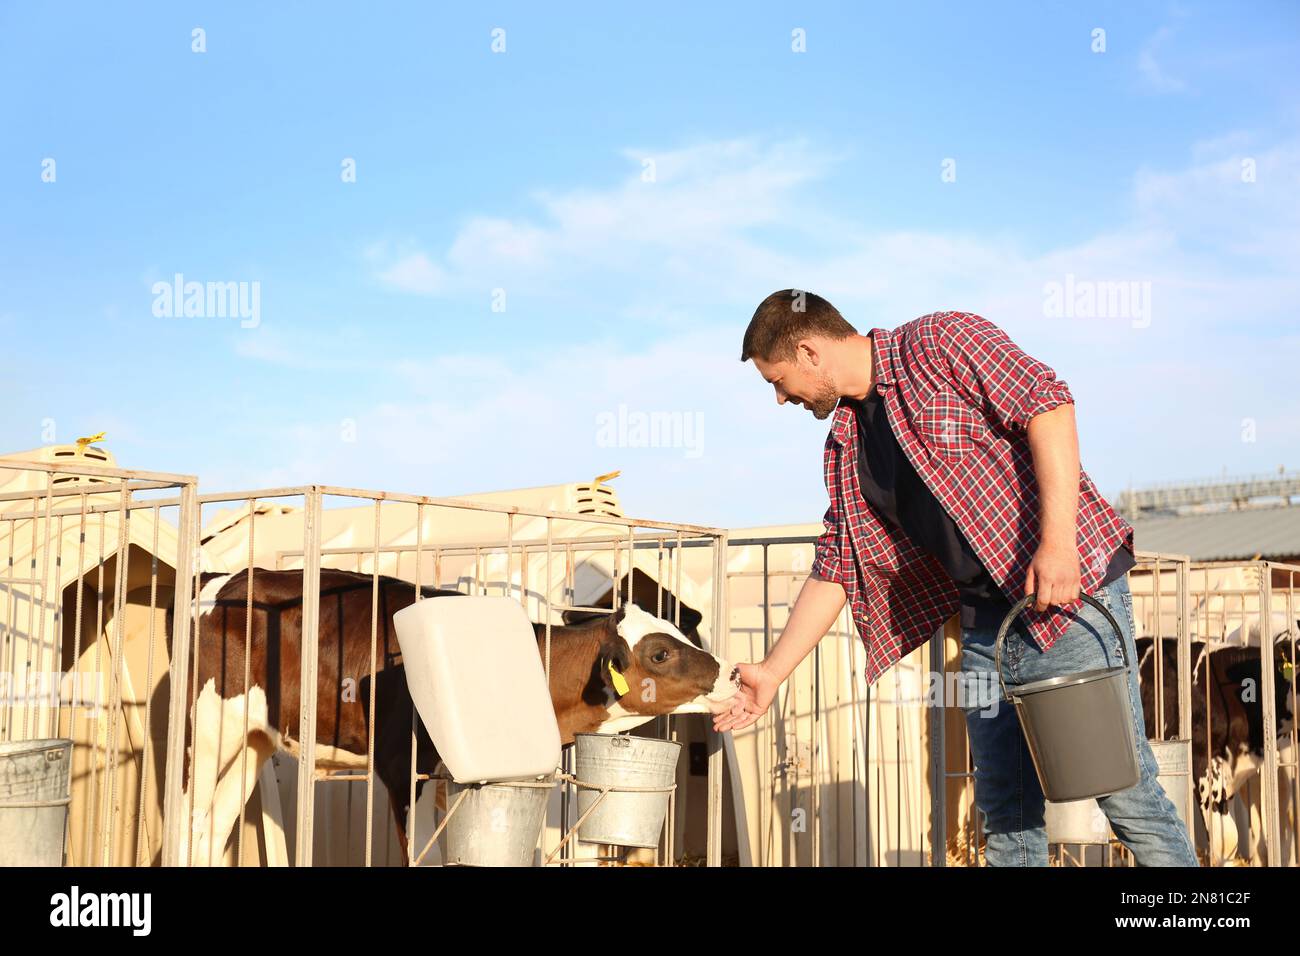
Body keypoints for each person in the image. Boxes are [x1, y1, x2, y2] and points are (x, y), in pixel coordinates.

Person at [716, 289, 1198, 867]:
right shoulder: (846, 445)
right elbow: (838, 563)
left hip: (1066, 597)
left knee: (1122, 789)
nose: (779, 398)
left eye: (778, 380)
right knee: (1007, 809)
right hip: (984, 622)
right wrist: (772, 671)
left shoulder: (940, 342)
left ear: (809, 350)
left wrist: (1058, 542)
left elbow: (1048, 404)